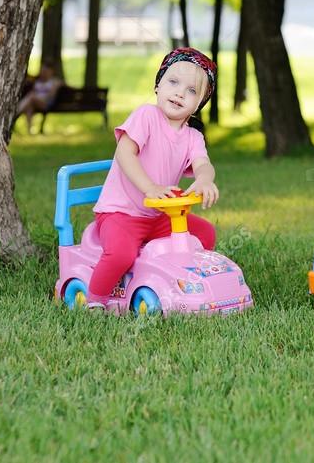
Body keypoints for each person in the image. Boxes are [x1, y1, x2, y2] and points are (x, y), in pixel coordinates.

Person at [86, 47, 220, 310]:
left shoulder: (193, 137)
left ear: (200, 103)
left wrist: (205, 180)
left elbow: (203, 164)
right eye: (173, 82)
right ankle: (95, 300)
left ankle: (174, 277)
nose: (180, 92)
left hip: (158, 217)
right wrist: (150, 188)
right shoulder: (146, 116)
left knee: (205, 233)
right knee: (121, 253)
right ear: (158, 85)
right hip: (120, 214)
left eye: (192, 91)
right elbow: (125, 153)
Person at [15, 60, 63, 133]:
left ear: (51, 72)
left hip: (46, 102)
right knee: (29, 107)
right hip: (35, 101)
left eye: (46, 71)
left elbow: (51, 95)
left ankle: (16, 112)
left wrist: (40, 97)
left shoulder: (54, 82)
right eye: (43, 71)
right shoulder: (38, 81)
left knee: (31, 96)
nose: (44, 73)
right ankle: (29, 131)